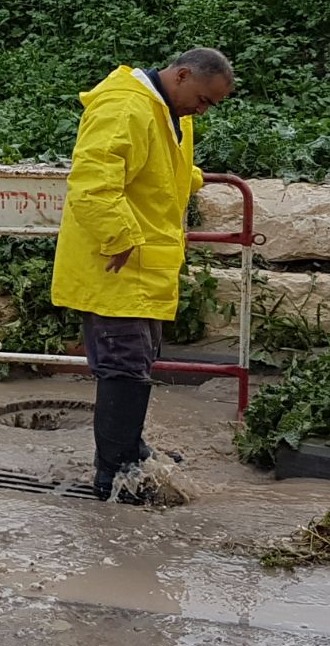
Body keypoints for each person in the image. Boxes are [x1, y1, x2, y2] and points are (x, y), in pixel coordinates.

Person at [51, 48, 235, 501]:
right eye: (204, 99)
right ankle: (115, 475)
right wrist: (119, 236)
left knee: (136, 360)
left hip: (141, 265)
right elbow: (92, 183)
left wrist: (191, 179)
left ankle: (128, 451)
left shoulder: (166, 111)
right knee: (123, 367)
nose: (203, 110)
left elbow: (159, 170)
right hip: (117, 263)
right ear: (183, 74)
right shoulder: (126, 107)